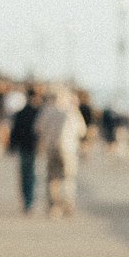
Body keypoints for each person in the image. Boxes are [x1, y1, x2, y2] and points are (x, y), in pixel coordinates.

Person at [37, 87, 86, 217]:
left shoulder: (48, 111)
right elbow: (82, 131)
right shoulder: (72, 112)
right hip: (68, 149)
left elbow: (39, 128)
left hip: (51, 148)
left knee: (52, 178)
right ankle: (68, 203)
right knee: (68, 178)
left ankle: (54, 207)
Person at [7, 86, 41, 214]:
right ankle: (29, 200)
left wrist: (12, 146)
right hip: (33, 147)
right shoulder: (38, 112)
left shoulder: (21, 113)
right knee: (31, 174)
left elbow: (14, 131)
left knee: (24, 174)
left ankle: (26, 200)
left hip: (23, 147)